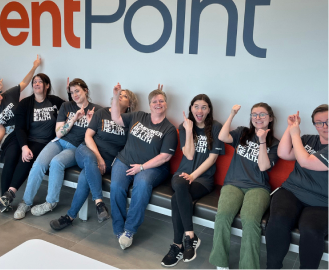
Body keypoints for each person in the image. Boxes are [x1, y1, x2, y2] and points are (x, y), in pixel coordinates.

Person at [50, 88, 139, 231]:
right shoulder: (102, 113)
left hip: (109, 161)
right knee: (90, 160)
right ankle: (99, 203)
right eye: (119, 94)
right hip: (87, 151)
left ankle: (70, 217)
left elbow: (129, 146)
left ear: (130, 104)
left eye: (125, 96)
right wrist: (99, 157)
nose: (121, 97)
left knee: (86, 176)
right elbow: (88, 136)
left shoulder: (130, 121)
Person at [14, 78, 101, 220]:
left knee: (56, 163)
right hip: (59, 142)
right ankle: (26, 202)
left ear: (86, 90)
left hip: (77, 148)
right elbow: (59, 133)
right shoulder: (67, 106)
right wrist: (73, 119)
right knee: (38, 164)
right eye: (72, 92)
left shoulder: (96, 110)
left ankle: (50, 202)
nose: (75, 95)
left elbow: (98, 135)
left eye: (77, 91)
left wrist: (90, 122)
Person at [209, 103, 279, 269]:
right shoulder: (242, 133)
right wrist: (232, 114)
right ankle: (220, 263)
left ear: (270, 118)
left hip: (258, 187)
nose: (258, 118)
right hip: (233, 184)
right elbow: (222, 137)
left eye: (262, 114)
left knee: (250, 219)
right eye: (254, 114)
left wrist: (262, 142)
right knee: (223, 215)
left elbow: (263, 167)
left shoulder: (274, 143)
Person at [110, 83, 178, 250]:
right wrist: (116, 96)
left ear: (166, 104)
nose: (158, 104)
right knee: (117, 186)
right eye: (154, 101)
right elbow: (116, 118)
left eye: (161, 101)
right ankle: (119, 228)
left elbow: (165, 157)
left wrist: (141, 167)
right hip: (125, 160)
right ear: (149, 105)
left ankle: (129, 230)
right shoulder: (138, 115)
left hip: (152, 168)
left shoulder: (168, 129)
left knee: (141, 185)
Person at [162, 94, 225, 266]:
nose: (199, 110)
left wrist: (194, 176)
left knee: (177, 197)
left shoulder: (216, 127)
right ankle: (190, 236)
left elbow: (212, 159)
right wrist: (189, 131)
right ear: (191, 108)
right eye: (196, 106)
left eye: (204, 107)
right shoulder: (185, 127)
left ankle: (177, 244)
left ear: (209, 110)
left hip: (203, 179)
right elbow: (189, 155)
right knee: (180, 185)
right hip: (181, 175)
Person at [265, 105, 328, 269]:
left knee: (311, 230)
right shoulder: (308, 139)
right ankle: (273, 266)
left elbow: (307, 162)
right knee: (278, 220)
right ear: (314, 125)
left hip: (322, 202)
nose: (325, 126)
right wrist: (291, 128)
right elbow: (283, 154)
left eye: (328, 121)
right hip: (292, 191)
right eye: (319, 123)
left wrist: (295, 135)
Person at [0, 55, 42, 199]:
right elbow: (0, 128)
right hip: (4, 133)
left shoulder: (9, 94)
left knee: (6, 154)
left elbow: (24, 82)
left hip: (18, 131)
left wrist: (34, 66)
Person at [0, 73, 66, 212]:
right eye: (34, 82)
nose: (36, 84)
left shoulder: (55, 101)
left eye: (40, 82)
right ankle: (4, 198)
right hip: (21, 137)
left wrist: (71, 93)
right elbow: (20, 128)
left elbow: (70, 108)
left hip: (42, 141)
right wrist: (24, 146)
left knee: (27, 158)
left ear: (47, 85)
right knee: (10, 157)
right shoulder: (25, 103)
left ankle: (10, 193)